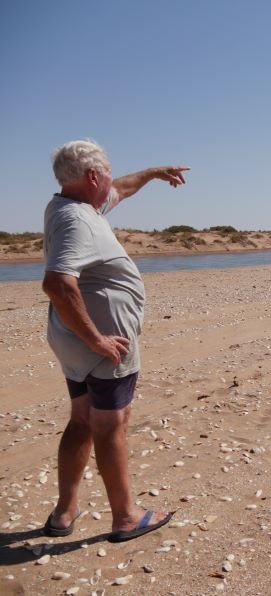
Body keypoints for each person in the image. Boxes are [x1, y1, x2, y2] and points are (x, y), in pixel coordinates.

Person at [41, 139, 189, 542]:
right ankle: (125, 516)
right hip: (102, 346)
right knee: (111, 424)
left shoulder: (71, 206)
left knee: (81, 419)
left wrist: (154, 174)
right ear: (92, 176)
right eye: (106, 171)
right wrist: (98, 340)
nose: (112, 178)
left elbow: (119, 189)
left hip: (74, 343)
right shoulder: (78, 220)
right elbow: (56, 282)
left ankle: (63, 513)